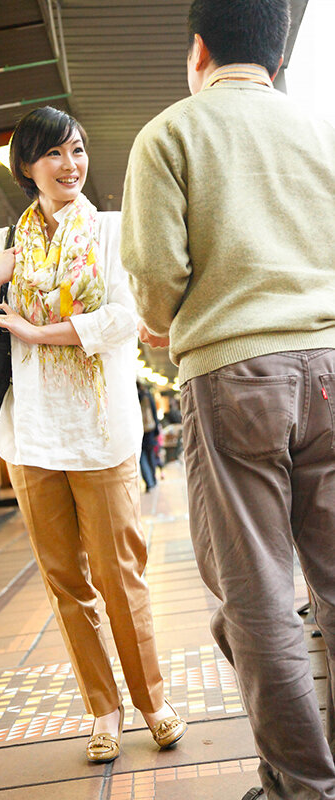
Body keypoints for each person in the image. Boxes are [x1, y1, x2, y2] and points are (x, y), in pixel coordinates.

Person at [120, 0, 335, 797]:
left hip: (233, 374)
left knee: (257, 597)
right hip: (332, 365)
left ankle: (301, 789)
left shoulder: (170, 134)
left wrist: (158, 324)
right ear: (276, 57)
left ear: (198, 50)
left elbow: (155, 275)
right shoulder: (321, 131)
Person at [0, 106, 186, 764]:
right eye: (55, 153)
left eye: (78, 150)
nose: (71, 165)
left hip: (100, 431)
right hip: (31, 437)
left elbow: (123, 318)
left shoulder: (111, 231)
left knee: (120, 576)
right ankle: (103, 709)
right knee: (65, 582)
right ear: (26, 166)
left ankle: (151, 701)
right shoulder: (5, 241)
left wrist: (37, 331)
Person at [137, 381, 160, 491]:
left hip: (138, 431)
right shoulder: (147, 395)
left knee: (142, 457)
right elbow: (154, 413)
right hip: (149, 430)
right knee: (150, 455)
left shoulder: (132, 396)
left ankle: (149, 482)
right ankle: (153, 479)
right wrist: (156, 431)